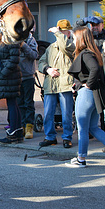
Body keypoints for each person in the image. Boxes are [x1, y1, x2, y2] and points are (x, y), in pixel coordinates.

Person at [66, 26, 105, 169]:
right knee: (92, 127)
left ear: (80, 39)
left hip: (86, 94)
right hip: (92, 94)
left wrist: (87, 85)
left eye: (74, 38)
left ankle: (81, 158)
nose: (73, 40)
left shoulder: (85, 53)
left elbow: (95, 70)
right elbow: (94, 70)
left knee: (83, 127)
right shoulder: (93, 52)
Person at [38, 20, 75, 148]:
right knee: (48, 113)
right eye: (61, 31)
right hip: (51, 85)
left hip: (65, 84)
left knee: (66, 113)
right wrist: (47, 69)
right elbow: (41, 62)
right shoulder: (51, 48)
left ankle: (67, 137)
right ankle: (50, 137)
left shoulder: (71, 44)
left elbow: (66, 47)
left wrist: (59, 34)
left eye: (64, 31)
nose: (63, 33)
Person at [0, 41, 23, 143]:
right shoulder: (7, 41)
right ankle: (17, 131)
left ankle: (13, 132)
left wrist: (3, 72)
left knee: (12, 103)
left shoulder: (12, 41)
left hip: (10, 76)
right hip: (9, 75)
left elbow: (14, 59)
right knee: (13, 103)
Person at [18, 30, 38, 139]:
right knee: (19, 103)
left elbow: (34, 55)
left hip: (28, 76)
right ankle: (21, 125)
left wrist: (24, 46)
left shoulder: (31, 40)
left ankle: (29, 126)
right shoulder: (15, 39)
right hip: (18, 76)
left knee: (28, 102)